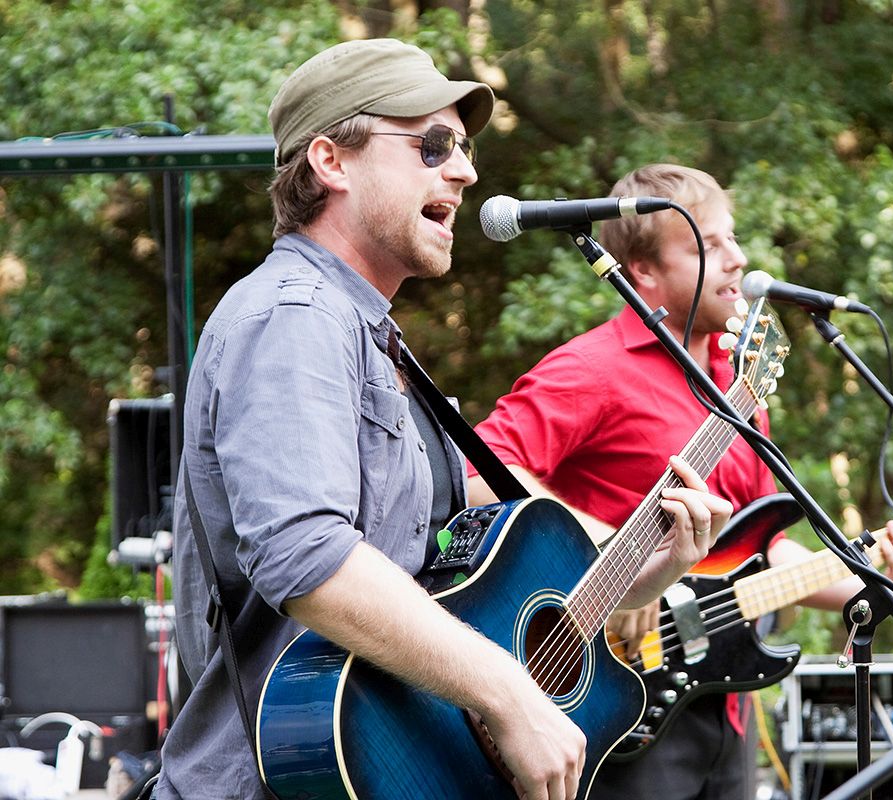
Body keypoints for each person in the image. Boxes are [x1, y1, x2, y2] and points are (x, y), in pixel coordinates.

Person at [158, 40, 733, 800]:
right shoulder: (293, 315)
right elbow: (305, 555)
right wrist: (508, 694)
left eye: (463, 149)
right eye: (432, 144)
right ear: (331, 161)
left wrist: (637, 573)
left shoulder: (369, 334)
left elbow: (461, 581)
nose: (463, 171)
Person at [468, 163, 893, 800]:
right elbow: (479, 473)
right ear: (643, 272)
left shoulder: (739, 385)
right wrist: (612, 555)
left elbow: (759, 550)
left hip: (725, 702)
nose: (737, 259)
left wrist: (874, 582)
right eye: (708, 245)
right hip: (607, 693)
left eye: (733, 238)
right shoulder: (591, 368)